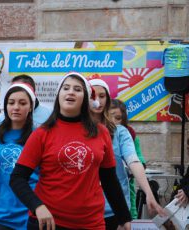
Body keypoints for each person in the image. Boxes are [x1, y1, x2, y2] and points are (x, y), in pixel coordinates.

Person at [10, 72, 132, 230]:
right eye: (65, 88)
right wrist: (37, 206)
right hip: (48, 222)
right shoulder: (42, 133)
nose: (71, 92)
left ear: (86, 99)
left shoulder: (101, 133)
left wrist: (124, 217)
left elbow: (109, 179)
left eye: (77, 89)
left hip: (91, 223)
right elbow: (17, 178)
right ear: (58, 95)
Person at [89, 78, 165, 229]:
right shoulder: (76, 130)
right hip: (84, 208)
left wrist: (148, 192)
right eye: (92, 95)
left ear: (108, 99)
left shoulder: (120, 132)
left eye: (102, 96)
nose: (97, 100)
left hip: (114, 208)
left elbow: (133, 161)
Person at [0, 82, 38, 230]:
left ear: (30, 107)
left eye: (22, 103)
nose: (16, 107)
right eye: (11, 103)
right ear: (6, 106)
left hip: (31, 214)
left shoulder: (39, 136)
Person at [109, 98, 147, 219]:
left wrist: (135, 167)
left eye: (118, 118)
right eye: (110, 117)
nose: (113, 121)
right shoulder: (98, 132)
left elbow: (138, 157)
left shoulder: (128, 133)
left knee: (130, 212)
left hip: (126, 181)